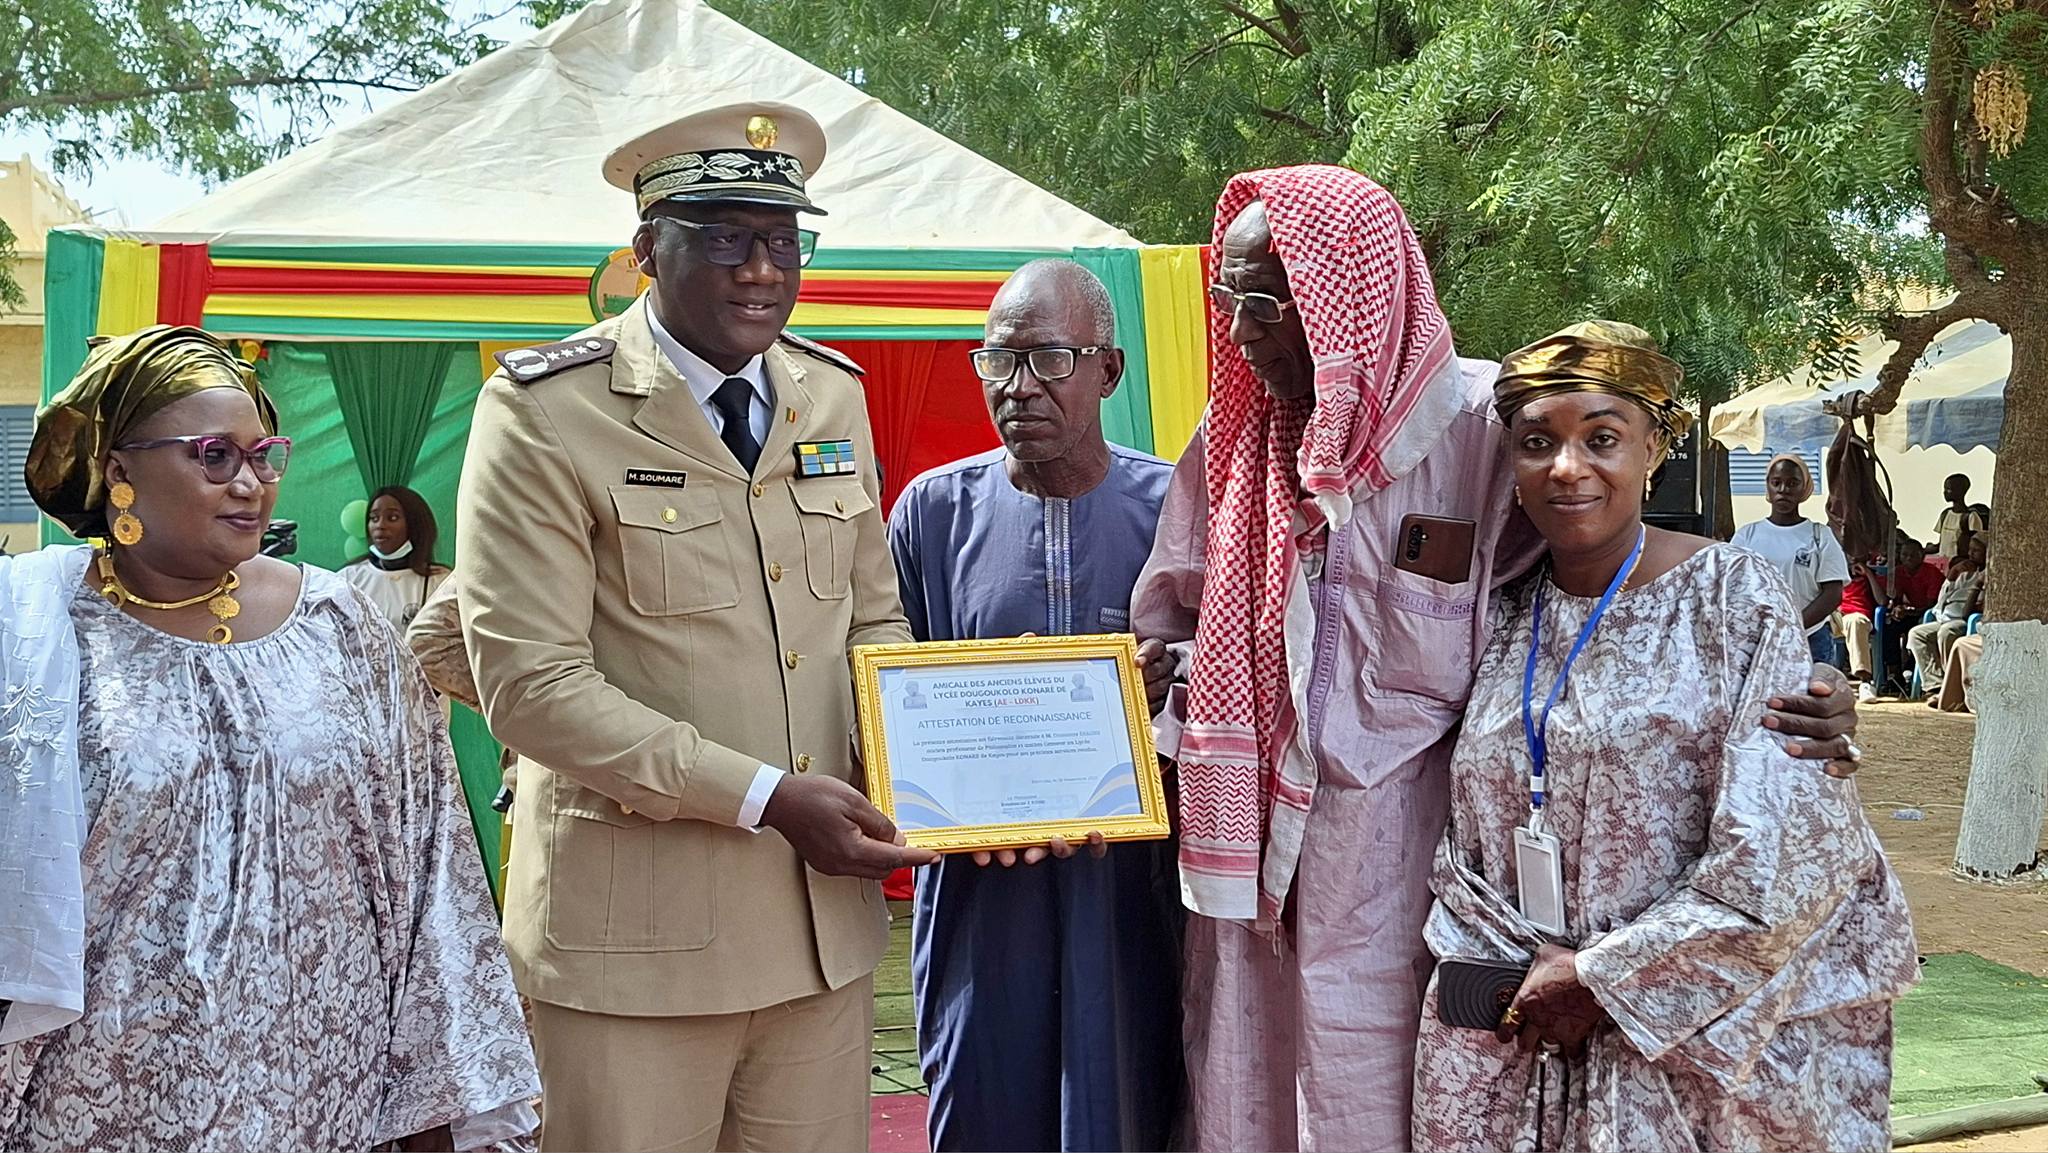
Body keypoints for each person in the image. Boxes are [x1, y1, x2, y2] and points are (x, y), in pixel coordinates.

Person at [1130, 166, 1862, 1152]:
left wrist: (1794, 689)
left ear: (1347, 292)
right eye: (1230, 299)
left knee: (1402, 1099)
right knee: (1247, 1088)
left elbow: (1601, 575)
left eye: (1268, 300)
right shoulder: (1224, 447)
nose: (1241, 329)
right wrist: (1162, 672)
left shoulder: (1483, 427)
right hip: (1251, 866)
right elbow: (1172, 620)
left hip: (1415, 879)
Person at [453, 103, 938, 1153]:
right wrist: (765, 797)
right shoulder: (545, 410)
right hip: (632, 949)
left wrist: (945, 775)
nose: (760, 270)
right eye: (723, 237)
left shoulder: (828, 394)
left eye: (780, 240)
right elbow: (532, 686)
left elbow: (871, 618)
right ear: (643, 250)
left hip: (818, 937)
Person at [0, 326, 537, 1150]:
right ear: (118, 470)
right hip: (109, 1096)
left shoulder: (342, 625)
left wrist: (440, 1104)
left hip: (323, 1088)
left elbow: (433, 868)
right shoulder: (33, 637)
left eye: (265, 455)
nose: (251, 483)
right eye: (215, 455)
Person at [1409, 322, 1918, 1152]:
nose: (1567, 468)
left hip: (1683, 1040)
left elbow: (1785, 845)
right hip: (1520, 1022)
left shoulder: (1729, 596)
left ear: (1655, 447)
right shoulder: (1496, 609)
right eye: (1537, 443)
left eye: (1601, 438)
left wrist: (1606, 978)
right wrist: (1539, 979)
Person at [887, 260, 1182, 1153]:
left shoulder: (1174, 508)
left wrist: (1168, 690)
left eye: (1050, 359)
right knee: (984, 1097)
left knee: (1133, 1091)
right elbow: (884, 692)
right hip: (982, 888)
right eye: (997, 362)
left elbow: (1241, 693)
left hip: (1132, 884)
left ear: (1110, 371)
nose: (1019, 388)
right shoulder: (933, 513)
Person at [1731, 454, 1848, 663]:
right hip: (1758, 640)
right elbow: (1733, 588)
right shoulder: (1746, 536)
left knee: (1811, 695)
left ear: (1804, 488)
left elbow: (1832, 594)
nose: (1783, 490)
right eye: (1777, 483)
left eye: (1792, 483)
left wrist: (1792, 625)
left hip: (1811, 638)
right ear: (1768, 486)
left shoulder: (1820, 535)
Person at [342, 483, 452, 629]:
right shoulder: (347, 579)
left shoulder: (440, 582)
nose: (380, 525)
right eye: (374, 518)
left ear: (414, 524)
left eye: (392, 518)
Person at [1911, 532, 1988, 705]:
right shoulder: (1964, 573)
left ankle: (1949, 687)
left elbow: (1969, 612)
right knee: (1917, 634)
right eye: (1970, 550)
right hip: (1945, 617)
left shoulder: (1989, 574)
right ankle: (1935, 686)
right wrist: (1951, 577)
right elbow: (1941, 602)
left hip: (1966, 621)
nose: (1970, 554)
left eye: (1976, 551)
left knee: (1947, 632)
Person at [1934, 473, 1985, 562]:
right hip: (1943, 561)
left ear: (1960, 491)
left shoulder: (1970, 517)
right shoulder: (1945, 514)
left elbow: (1976, 543)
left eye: (1948, 489)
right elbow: (1941, 543)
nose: (1944, 492)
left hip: (1960, 563)